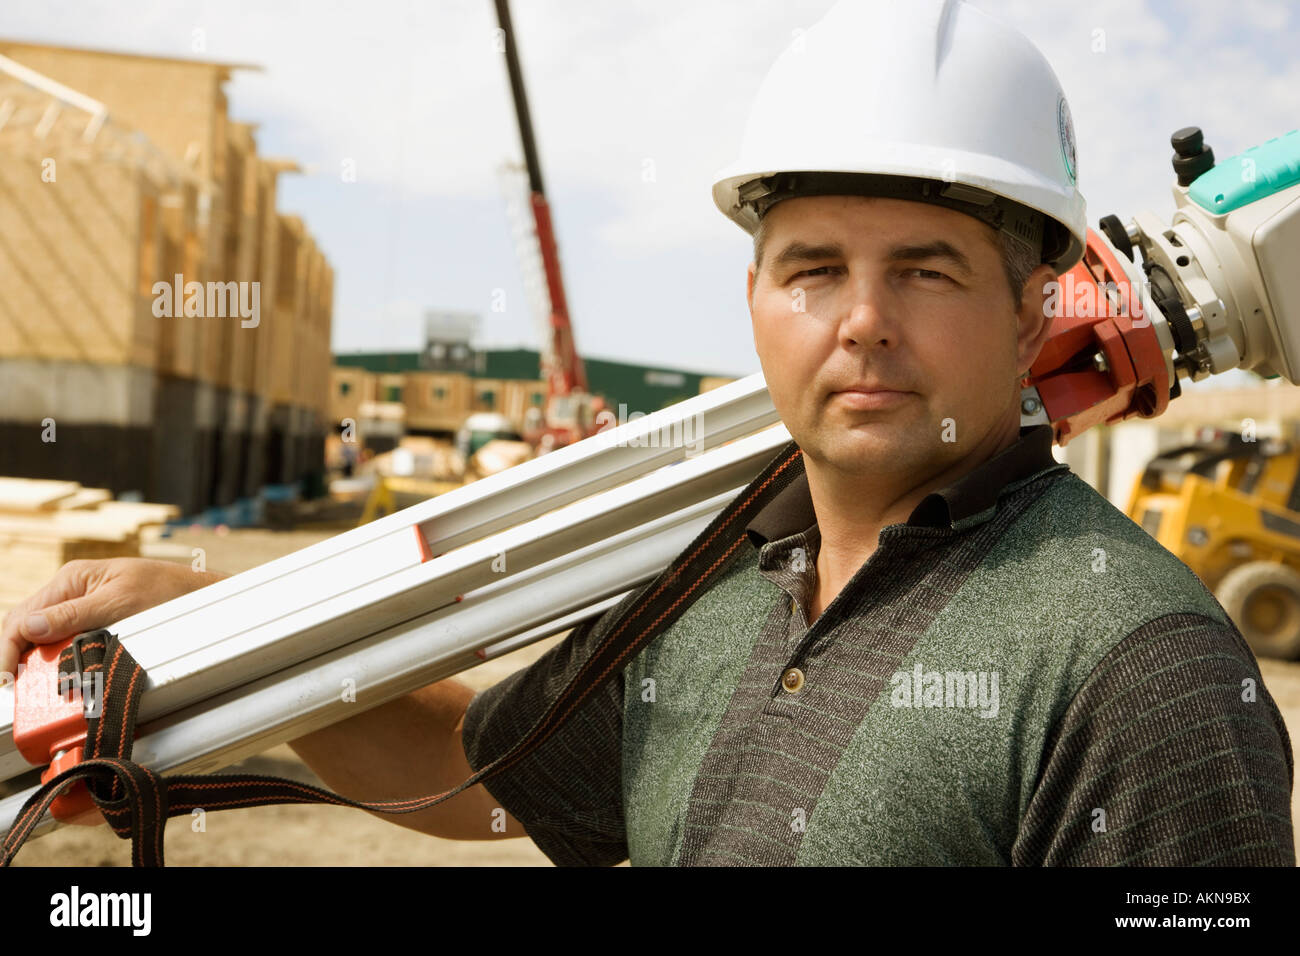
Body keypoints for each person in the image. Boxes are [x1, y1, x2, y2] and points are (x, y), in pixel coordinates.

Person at [2, 0, 1293, 865]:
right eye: (811, 270)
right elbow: (482, 774)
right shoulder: (711, 578)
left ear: (1030, 315)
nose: (859, 323)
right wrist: (191, 630)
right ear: (752, 301)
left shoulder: (1145, 675)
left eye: (927, 270)